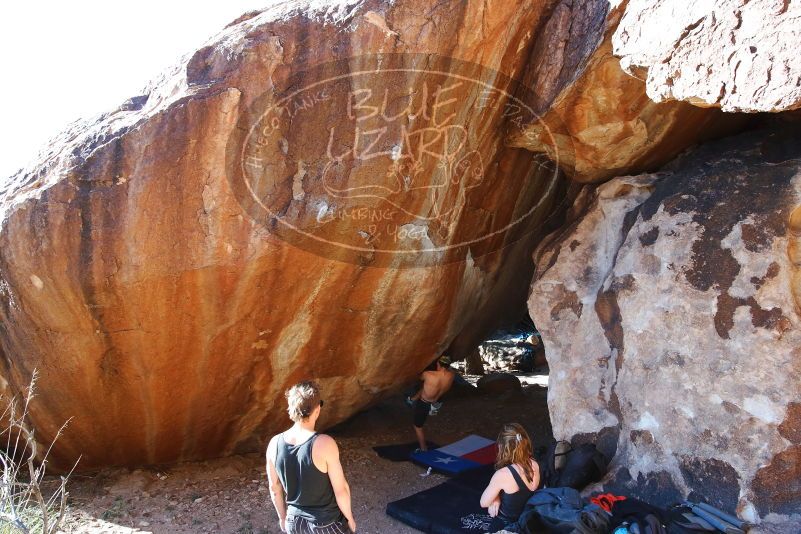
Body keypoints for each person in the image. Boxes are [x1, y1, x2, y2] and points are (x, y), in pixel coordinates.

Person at [266, 381, 357, 533]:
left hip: (293, 522)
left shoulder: (274, 444)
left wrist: (282, 518)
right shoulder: (324, 443)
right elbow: (341, 490)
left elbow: (274, 488)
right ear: (317, 409)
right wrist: (350, 519)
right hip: (325, 524)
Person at [480, 423, 540, 531]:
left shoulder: (503, 475)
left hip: (508, 524)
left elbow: (484, 502)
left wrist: (495, 498)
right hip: (529, 520)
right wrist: (497, 496)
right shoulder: (534, 464)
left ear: (502, 447)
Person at [410, 355, 455, 451]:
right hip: (436, 403)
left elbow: (419, 377)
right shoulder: (451, 375)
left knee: (418, 426)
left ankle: (423, 448)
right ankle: (413, 399)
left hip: (424, 403)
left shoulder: (428, 374)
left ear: (438, 364)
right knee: (426, 387)